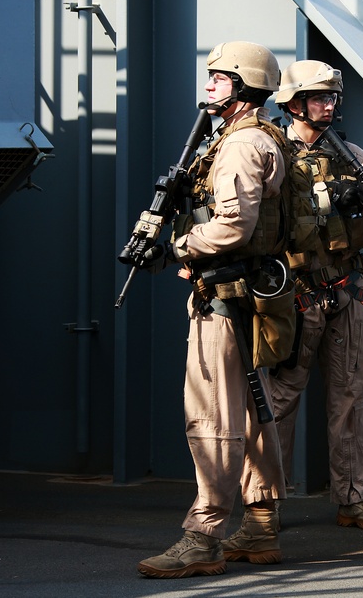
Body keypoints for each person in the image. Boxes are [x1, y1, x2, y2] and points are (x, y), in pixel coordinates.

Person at [135, 41, 294, 578]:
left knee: (214, 417)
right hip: (249, 294)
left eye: (220, 79)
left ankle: (203, 536)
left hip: (225, 299)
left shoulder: (241, 146)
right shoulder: (261, 137)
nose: (209, 86)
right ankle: (260, 524)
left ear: (245, 88)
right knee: (254, 410)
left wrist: (177, 245)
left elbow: (232, 225)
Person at [268, 60, 363, 531]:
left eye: (332, 97)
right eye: (319, 97)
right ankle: (264, 503)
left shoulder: (353, 155)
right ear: (294, 103)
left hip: (346, 291)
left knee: (351, 396)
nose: (329, 105)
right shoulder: (273, 153)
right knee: (280, 399)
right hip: (295, 292)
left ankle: (353, 498)